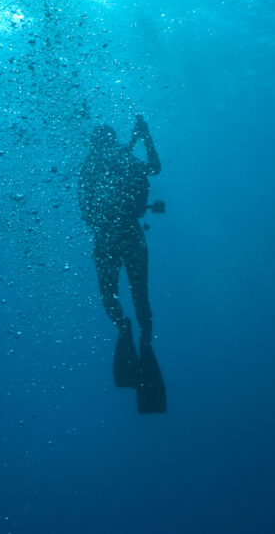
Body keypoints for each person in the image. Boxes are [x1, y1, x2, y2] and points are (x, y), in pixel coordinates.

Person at [79, 116, 166, 411]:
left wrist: (144, 137)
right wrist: (145, 136)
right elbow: (154, 168)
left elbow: (86, 211)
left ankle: (126, 328)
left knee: (111, 296)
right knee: (140, 295)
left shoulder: (92, 167)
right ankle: (142, 337)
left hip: (107, 238)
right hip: (129, 233)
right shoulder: (119, 159)